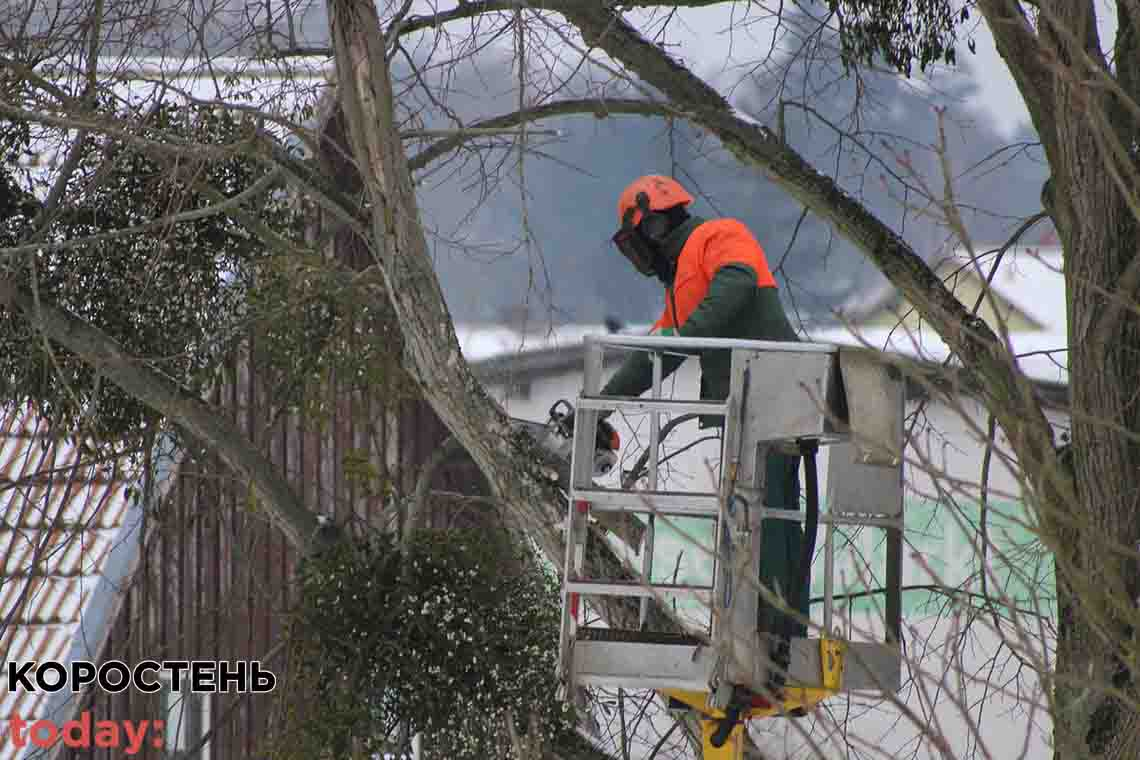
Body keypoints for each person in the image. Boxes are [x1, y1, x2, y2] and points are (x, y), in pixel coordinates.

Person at [601, 175, 808, 684]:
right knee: (746, 517)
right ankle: (752, 621)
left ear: (650, 224)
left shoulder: (720, 235)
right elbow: (657, 354)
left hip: (777, 394)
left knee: (774, 516)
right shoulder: (681, 287)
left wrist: (691, 338)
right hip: (744, 411)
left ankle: (777, 632)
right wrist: (601, 405)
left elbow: (735, 287)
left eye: (637, 242)